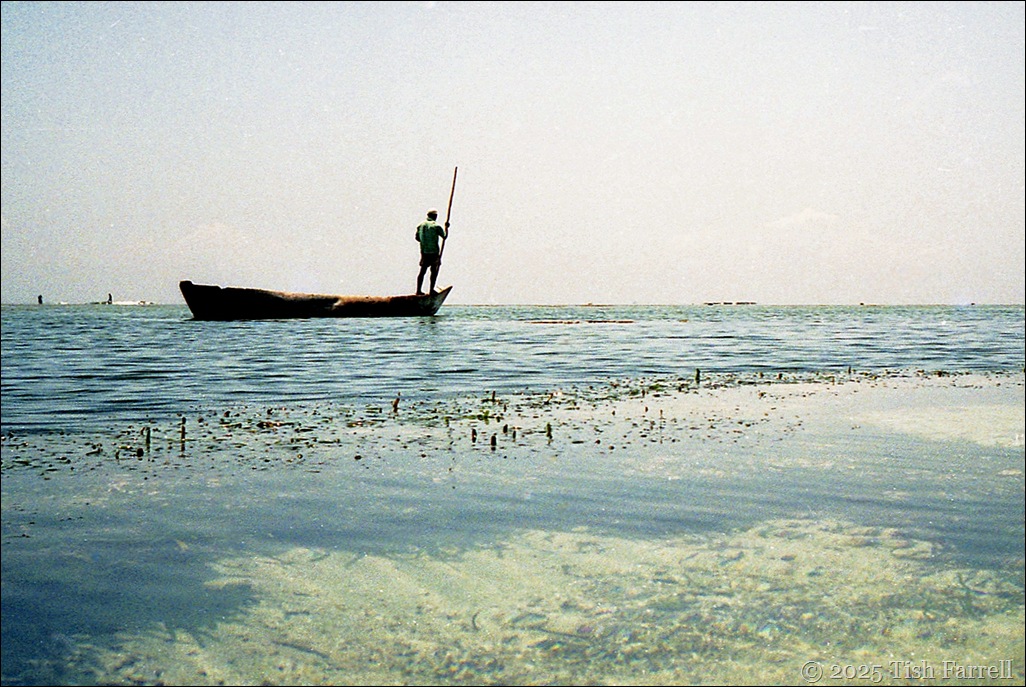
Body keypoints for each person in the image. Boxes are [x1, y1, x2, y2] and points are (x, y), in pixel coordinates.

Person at [415, 208, 449, 295]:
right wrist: (447, 228)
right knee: (433, 271)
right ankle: (431, 290)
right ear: (435, 216)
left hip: (424, 252)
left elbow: (417, 238)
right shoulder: (436, 226)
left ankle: (418, 290)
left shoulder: (420, 226)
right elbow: (444, 236)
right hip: (433, 252)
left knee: (422, 271)